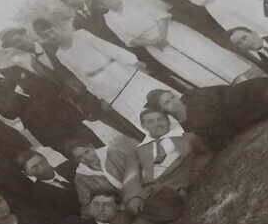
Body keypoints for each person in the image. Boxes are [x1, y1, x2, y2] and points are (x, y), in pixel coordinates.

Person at [93, 0, 262, 88]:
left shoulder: (132, 0)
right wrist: (152, 41)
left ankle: (247, 79)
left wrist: (161, 36)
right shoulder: (110, 19)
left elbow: (159, 15)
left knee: (206, 55)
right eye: (100, 2)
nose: (105, 1)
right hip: (155, 46)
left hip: (171, 32)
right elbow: (128, 40)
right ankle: (232, 88)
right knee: (189, 67)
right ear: (100, 6)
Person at [0, 48, 98, 158]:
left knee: (96, 146)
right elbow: (9, 112)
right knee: (77, 159)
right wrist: (16, 88)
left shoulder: (13, 69)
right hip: (45, 128)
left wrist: (27, 96)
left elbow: (46, 86)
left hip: (65, 116)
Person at [41, 19, 172, 136]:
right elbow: (81, 77)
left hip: (119, 71)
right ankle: (165, 138)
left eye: (51, 31)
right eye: (46, 36)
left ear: (58, 27)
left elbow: (108, 48)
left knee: (152, 99)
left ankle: (178, 123)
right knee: (137, 112)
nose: (51, 36)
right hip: (104, 87)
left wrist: (132, 61)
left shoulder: (81, 35)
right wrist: (101, 97)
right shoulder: (60, 54)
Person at [115, 109, 208, 224]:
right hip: (146, 192)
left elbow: (205, 155)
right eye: (150, 121)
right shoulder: (137, 151)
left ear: (168, 120)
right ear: (143, 126)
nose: (157, 124)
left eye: (160, 119)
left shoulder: (187, 138)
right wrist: (133, 198)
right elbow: (131, 179)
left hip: (169, 189)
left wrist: (191, 178)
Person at [46, 0, 184, 90]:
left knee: (169, 71)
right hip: (121, 58)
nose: (69, 1)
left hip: (140, 45)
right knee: (153, 83)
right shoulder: (77, 24)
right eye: (64, 0)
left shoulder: (99, 3)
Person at [144, 76, 268, 149]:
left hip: (236, 95)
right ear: (164, 110)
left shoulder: (192, 97)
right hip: (240, 113)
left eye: (171, 96)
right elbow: (222, 133)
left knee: (260, 87)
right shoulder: (191, 125)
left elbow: (218, 90)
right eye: (167, 103)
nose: (173, 102)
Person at [67, 136, 132, 215]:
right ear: (75, 160)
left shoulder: (112, 153)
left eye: (87, 152)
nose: (87, 158)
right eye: (80, 157)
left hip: (140, 192)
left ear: (92, 147)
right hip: (120, 209)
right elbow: (88, 205)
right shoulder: (81, 178)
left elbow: (137, 170)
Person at [16, 148, 80, 220]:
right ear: (27, 173)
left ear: (45, 158)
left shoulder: (70, 167)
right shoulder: (38, 196)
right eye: (35, 167)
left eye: (42, 162)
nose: (42, 167)